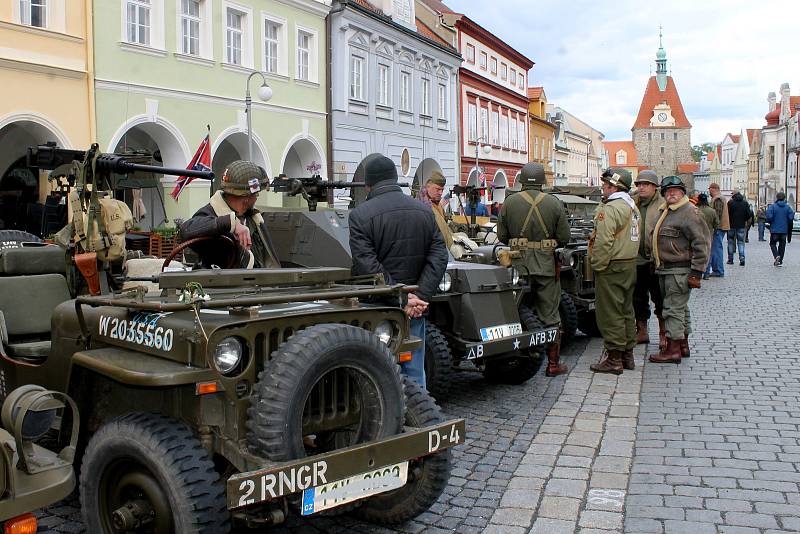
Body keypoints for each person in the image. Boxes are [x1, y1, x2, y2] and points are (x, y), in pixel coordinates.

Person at [349, 155, 448, 387]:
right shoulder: (424, 211)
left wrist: (403, 298)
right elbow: (439, 255)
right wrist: (420, 296)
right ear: (395, 179)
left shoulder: (360, 216)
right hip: (415, 308)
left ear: (368, 185)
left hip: (378, 307)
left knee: (377, 372)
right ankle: (422, 418)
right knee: (415, 370)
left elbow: (367, 266)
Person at [497, 162, 571, 376]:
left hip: (517, 265)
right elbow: (564, 237)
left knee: (515, 309)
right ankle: (553, 363)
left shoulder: (510, 202)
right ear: (542, 181)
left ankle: (515, 355)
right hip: (546, 266)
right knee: (550, 313)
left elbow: (502, 236)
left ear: (521, 180)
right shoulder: (554, 203)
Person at [648, 176, 709, 364]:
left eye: (675, 190)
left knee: (672, 310)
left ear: (682, 192)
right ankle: (683, 345)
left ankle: (672, 349)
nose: (671, 193)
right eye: (667, 191)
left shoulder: (690, 212)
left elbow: (702, 244)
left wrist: (697, 272)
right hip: (666, 269)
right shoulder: (667, 211)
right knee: (680, 308)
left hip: (679, 270)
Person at [180, 160, 280, 269]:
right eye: (256, 194)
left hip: (257, 282)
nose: (257, 197)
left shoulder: (254, 218)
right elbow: (186, 229)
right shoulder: (212, 213)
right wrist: (231, 223)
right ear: (247, 197)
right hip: (222, 282)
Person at [588, 169, 640, 375]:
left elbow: (603, 241)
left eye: (605, 185)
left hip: (613, 265)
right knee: (626, 310)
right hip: (629, 263)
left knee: (610, 312)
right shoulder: (632, 207)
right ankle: (627, 354)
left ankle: (614, 358)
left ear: (614, 187)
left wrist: (598, 265)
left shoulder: (611, 209)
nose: (603, 188)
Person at [632, 170, 666, 349]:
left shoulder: (663, 205)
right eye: (639, 184)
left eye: (645, 184)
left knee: (660, 298)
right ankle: (642, 331)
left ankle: (663, 333)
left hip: (656, 260)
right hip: (637, 259)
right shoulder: (632, 203)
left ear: (654, 187)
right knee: (638, 298)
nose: (641, 187)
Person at [417, 172, 454, 252]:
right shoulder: (422, 206)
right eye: (437, 189)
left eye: (442, 190)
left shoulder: (438, 205)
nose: (440, 193)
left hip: (446, 250)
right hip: (435, 251)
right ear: (428, 186)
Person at [766, 192, 795, 266]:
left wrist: (771, 221)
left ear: (777, 198)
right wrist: (786, 222)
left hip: (774, 230)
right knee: (782, 245)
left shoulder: (772, 207)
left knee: (772, 243)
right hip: (784, 230)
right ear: (784, 198)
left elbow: (769, 217)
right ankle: (780, 260)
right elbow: (791, 217)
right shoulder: (788, 207)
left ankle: (776, 256)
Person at [708, 183, 729, 277]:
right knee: (716, 249)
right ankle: (717, 269)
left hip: (718, 228)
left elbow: (717, 214)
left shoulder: (718, 199)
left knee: (716, 249)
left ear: (714, 189)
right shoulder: (720, 198)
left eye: (710, 189)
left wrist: (715, 227)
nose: (709, 191)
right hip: (720, 227)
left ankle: (718, 270)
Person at [696, 193, 719, 279]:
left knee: (697, 253)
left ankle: (697, 272)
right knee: (708, 254)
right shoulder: (712, 211)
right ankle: (706, 273)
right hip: (708, 235)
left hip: (696, 234)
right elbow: (716, 224)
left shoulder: (694, 210)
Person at [726, 190, 752, 266]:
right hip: (741, 225)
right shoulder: (745, 203)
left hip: (731, 225)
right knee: (741, 243)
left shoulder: (730, 203)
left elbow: (727, 214)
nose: (731, 195)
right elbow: (748, 214)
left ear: (734, 195)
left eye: (732, 194)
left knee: (730, 242)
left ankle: (730, 259)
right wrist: (744, 220)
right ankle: (742, 259)